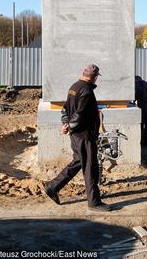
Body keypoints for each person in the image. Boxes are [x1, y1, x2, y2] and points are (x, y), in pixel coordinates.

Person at [43, 64, 111, 212]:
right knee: (90, 167)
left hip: (77, 135)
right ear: (95, 77)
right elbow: (80, 115)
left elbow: (65, 109)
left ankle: (53, 187)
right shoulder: (86, 91)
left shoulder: (74, 87)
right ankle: (94, 202)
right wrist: (70, 126)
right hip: (84, 135)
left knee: (78, 162)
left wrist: (66, 124)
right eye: (97, 77)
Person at [135, 76, 147, 146]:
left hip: (143, 104)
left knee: (141, 123)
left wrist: (134, 100)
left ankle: (140, 141)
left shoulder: (138, 83)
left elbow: (138, 92)